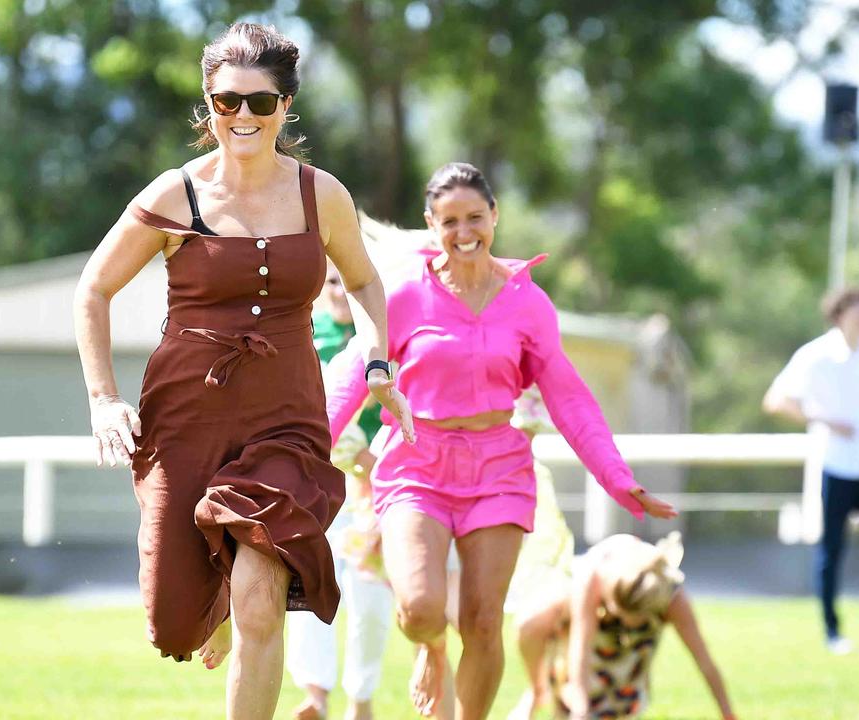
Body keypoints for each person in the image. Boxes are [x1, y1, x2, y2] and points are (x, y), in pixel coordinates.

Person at [74, 22, 412, 720]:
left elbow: (367, 284)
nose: (243, 117)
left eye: (260, 104)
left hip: (284, 413)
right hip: (185, 414)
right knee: (171, 624)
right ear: (208, 102)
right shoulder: (174, 195)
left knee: (264, 602)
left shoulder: (323, 196)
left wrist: (379, 362)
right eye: (227, 102)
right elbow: (93, 289)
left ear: (286, 107)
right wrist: (103, 400)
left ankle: (242, 595)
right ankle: (213, 593)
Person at [325, 162, 677, 719]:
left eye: (475, 218)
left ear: (495, 216)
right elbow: (350, 377)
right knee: (419, 608)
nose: (464, 232)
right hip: (418, 462)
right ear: (430, 223)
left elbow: (569, 396)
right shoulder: (404, 296)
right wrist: (302, 448)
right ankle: (430, 647)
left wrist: (617, 478)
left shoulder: (527, 303)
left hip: (498, 469)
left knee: (484, 621)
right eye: (449, 221)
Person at [286, 265, 393, 720]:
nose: (338, 292)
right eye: (329, 281)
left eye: (347, 283)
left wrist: (374, 461)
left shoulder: (384, 341)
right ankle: (315, 694)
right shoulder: (300, 334)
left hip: (376, 485)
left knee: (369, 595)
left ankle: (361, 696)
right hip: (314, 482)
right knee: (309, 585)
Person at [508, 533, 737, 720]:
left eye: (634, 618)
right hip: (578, 609)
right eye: (623, 615)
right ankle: (536, 692)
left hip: (632, 654)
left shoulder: (671, 595)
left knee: (616, 702)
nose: (628, 623)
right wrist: (580, 710)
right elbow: (581, 646)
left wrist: (728, 713)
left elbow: (703, 660)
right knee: (532, 623)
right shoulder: (592, 580)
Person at [763, 287, 859, 656]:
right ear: (839, 315)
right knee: (831, 549)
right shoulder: (816, 356)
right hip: (836, 466)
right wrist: (824, 420)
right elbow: (776, 400)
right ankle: (832, 631)